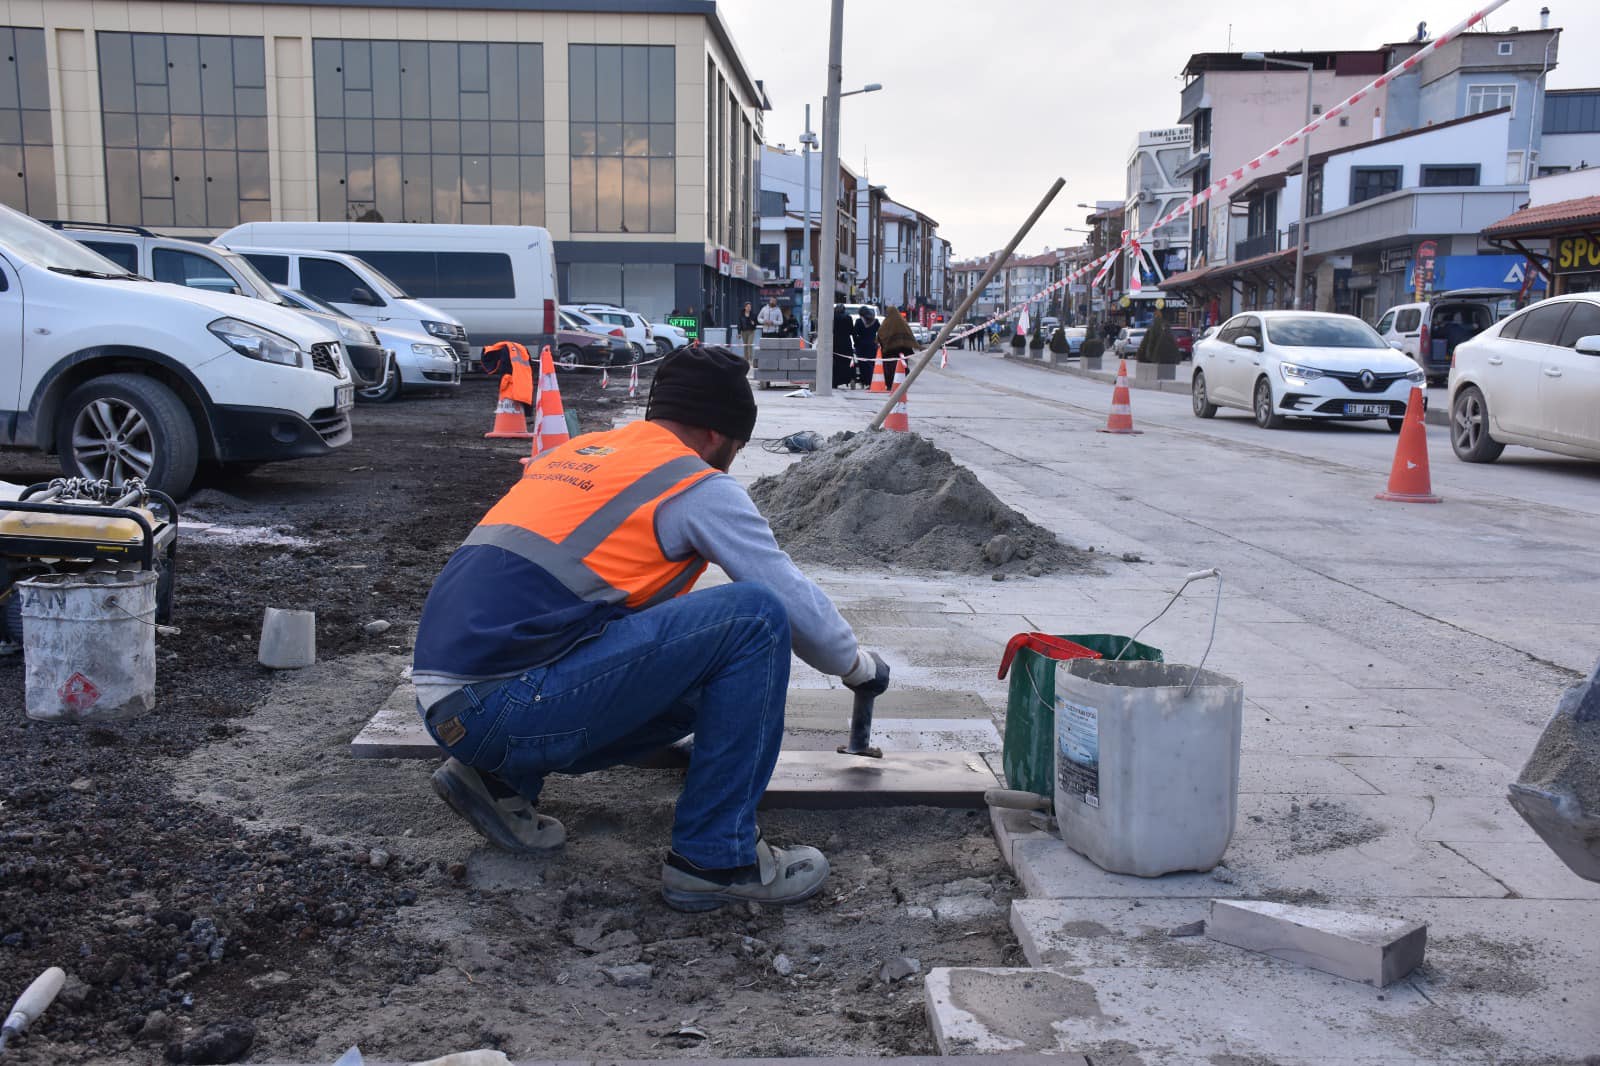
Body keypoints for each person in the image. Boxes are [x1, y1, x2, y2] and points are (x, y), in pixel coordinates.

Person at [412, 346, 890, 912]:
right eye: (735, 449)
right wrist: (857, 665)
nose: (729, 463)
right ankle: (717, 859)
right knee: (753, 617)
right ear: (718, 435)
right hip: (506, 708)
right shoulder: (693, 483)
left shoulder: (587, 453)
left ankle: (496, 783)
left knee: (704, 667)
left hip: (454, 704)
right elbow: (787, 598)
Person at [875, 306, 917, 390]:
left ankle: (890, 385)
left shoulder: (886, 323)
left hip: (888, 351)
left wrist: (883, 343)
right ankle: (899, 384)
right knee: (901, 368)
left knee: (888, 369)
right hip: (901, 351)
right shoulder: (902, 322)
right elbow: (908, 334)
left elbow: (880, 335)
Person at [852, 306, 880, 388]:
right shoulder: (875, 321)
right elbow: (880, 332)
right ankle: (871, 381)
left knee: (862, 364)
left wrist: (856, 343)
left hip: (861, 346)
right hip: (872, 345)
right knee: (871, 364)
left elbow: (854, 334)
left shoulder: (859, 321)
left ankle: (864, 380)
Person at [831, 305, 856, 388]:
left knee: (835, 363)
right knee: (847, 362)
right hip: (846, 343)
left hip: (835, 342)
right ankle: (849, 378)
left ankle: (835, 382)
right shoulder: (848, 318)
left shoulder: (832, 317)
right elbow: (852, 331)